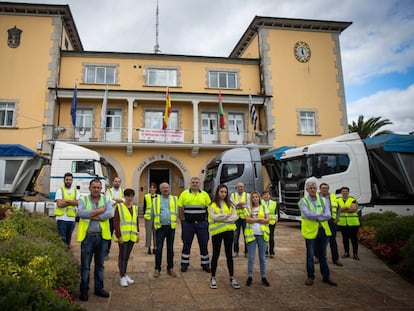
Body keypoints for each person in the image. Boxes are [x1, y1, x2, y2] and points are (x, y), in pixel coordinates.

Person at [77, 178, 114, 301]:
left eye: (98, 187)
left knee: (100, 265)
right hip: (88, 237)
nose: (96, 189)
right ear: (90, 188)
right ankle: (84, 291)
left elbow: (110, 213)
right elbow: (80, 213)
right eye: (94, 187)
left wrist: (94, 216)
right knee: (85, 266)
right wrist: (98, 211)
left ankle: (99, 289)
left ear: (101, 189)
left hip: (102, 238)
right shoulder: (83, 199)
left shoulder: (106, 199)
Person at [298, 180, 337, 286]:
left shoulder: (324, 201)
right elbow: (307, 214)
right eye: (310, 188)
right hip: (310, 232)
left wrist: (316, 216)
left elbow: (328, 215)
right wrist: (321, 215)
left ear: (317, 189)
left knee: (323, 255)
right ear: (307, 190)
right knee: (310, 255)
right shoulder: (303, 201)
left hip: (323, 231)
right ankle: (310, 277)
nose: (312, 190)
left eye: (314, 188)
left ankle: (326, 276)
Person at [208, 184, 240, 289]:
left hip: (229, 232)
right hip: (217, 233)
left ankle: (232, 277)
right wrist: (226, 216)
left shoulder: (230, 204)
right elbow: (213, 217)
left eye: (225, 192)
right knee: (215, 255)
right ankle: (213, 277)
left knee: (229, 255)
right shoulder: (212, 204)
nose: (223, 194)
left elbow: (235, 217)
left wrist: (222, 217)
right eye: (221, 192)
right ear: (217, 192)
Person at [145, 182, 178, 278]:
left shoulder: (174, 199)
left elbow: (177, 211)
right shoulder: (155, 200)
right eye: (163, 188)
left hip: (171, 227)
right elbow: (151, 213)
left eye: (167, 187)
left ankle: (170, 268)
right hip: (160, 228)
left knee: (170, 249)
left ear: (169, 188)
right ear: (160, 189)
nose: (165, 189)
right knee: (158, 249)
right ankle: (157, 268)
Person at [178, 176, 211, 273]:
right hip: (188, 224)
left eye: (196, 182)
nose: (195, 184)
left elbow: (209, 208)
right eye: (193, 182)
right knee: (186, 244)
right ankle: (184, 264)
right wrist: (182, 221)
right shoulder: (184, 194)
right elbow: (180, 208)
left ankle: (205, 264)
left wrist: (207, 221)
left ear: (199, 184)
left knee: (203, 244)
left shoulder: (205, 194)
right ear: (190, 183)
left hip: (202, 224)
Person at [113, 188, 139, 287]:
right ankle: (122, 276)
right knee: (122, 257)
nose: (130, 198)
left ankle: (124, 273)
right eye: (128, 196)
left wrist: (137, 234)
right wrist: (118, 235)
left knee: (127, 257)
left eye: (132, 196)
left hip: (131, 236)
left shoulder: (135, 208)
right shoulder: (119, 207)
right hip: (123, 236)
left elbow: (136, 222)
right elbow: (116, 222)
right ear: (124, 197)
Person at [245, 191, 270, 287]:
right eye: (253, 197)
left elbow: (267, 219)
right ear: (251, 199)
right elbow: (247, 219)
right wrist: (259, 220)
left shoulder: (264, 207)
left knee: (262, 257)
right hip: (251, 235)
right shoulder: (248, 208)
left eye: (256, 197)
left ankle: (263, 276)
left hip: (262, 235)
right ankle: (250, 276)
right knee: (251, 257)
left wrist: (254, 219)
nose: (255, 198)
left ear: (259, 198)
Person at [317, 183, 343, 266]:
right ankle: (317, 257)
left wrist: (337, 218)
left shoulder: (333, 197)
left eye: (326, 188)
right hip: (320, 222)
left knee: (333, 240)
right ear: (320, 189)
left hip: (331, 221)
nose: (324, 189)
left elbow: (339, 208)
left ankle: (335, 259)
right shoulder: (315, 197)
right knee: (318, 240)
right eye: (323, 188)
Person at [55, 172, 80, 249]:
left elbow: (78, 203)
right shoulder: (60, 191)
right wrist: (72, 202)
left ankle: (67, 254)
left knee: (68, 239)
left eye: (70, 180)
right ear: (64, 180)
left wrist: (66, 201)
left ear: (72, 181)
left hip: (71, 219)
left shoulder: (76, 192)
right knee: (62, 239)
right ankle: (63, 254)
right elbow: (59, 204)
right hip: (61, 218)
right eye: (67, 180)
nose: (68, 181)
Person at [337, 186, 360, 260]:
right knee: (345, 238)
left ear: (348, 192)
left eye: (346, 191)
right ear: (341, 192)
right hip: (343, 223)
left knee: (354, 239)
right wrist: (347, 208)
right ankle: (346, 252)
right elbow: (337, 209)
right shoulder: (338, 200)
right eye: (343, 191)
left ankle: (355, 254)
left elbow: (354, 209)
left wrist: (343, 209)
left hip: (353, 223)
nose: (344, 192)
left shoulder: (352, 199)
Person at [105, 176, 124, 260]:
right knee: (108, 235)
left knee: (121, 235)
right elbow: (108, 201)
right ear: (113, 182)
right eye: (115, 181)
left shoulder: (123, 191)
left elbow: (125, 200)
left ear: (120, 183)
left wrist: (114, 200)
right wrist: (119, 200)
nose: (117, 183)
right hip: (111, 216)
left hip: (120, 217)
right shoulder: (108, 191)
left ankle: (123, 253)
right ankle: (106, 252)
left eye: (118, 181)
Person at [231, 182, 250, 257]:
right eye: (238, 187)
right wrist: (241, 204)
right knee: (235, 236)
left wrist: (237, 204)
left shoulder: (247, 195)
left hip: (245, 217)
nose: (240, 188)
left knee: (246, 235)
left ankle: (246, 252)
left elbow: (248, 205)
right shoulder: (233, 195)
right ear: (236, 188)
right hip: (236, 218)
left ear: (243, 187)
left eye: (241, 186)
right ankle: (236, 251)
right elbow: (232, 204)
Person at [261, 190, 278, 258]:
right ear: (262, 196)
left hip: (271, 222)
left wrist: (276, 217)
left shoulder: (273, 203)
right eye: (264, 194)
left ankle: (271, 252)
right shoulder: (260, 202)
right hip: (263, 222)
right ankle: (265, 251)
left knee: (271, 237)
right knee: (264, 237)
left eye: (267, 194)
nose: (266, 196)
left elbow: (276, 211)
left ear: (269, 195)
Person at [143, 182, 158, 255]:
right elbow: (144, 207)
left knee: (156, 233)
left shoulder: (158, 197)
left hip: (156, 217)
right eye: (151, 188)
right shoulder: (146, 196)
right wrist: (144, 215)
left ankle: (155, 247)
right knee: (148, 233)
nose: (152, 189)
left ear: (156, 189)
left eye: (153, 188)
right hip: (148, 217)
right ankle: (148, 247)